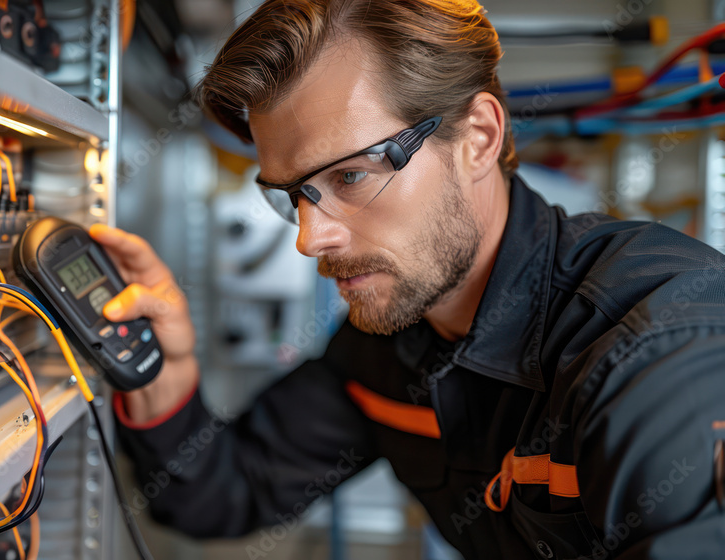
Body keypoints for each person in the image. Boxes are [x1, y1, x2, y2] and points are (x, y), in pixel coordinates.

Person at [88, 0, 725, 558]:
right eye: (293, 196)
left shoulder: (652, 350)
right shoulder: (388, 349)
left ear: (477, 137)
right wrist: (159, 370)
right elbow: (224, 490)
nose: (311, 239)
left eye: (352, 176)